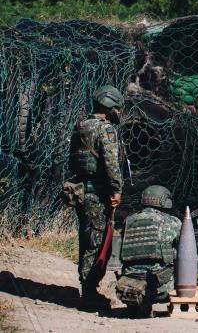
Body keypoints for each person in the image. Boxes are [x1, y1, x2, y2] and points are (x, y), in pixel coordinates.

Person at [66, 85, 124, 310]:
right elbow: (110, 163)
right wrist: (116, 189)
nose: (118, 112)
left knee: (87, 235)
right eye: (117, 107)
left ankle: (87, 288)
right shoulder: (105, 129)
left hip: (81, 190)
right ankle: (89, 294)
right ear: (110, 106)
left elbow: (73, 159)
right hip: (97, 193)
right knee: (96, 241)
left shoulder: (80, 125)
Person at [115, 185, 182, 316]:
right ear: (164, 201)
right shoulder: (172, 221)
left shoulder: (128, 220)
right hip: (159, 282)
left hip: (129, 280)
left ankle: (138, 302)